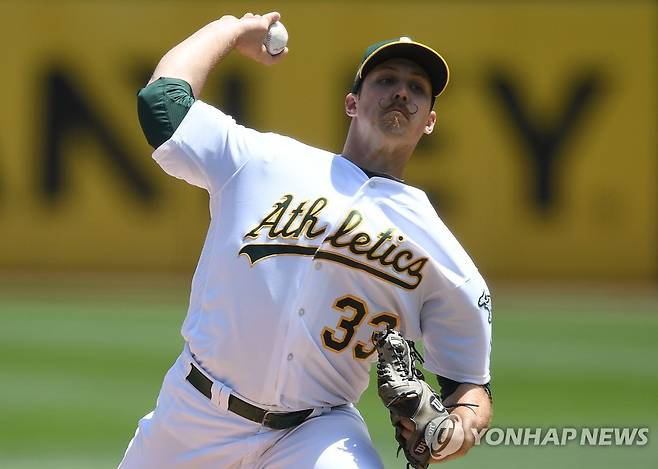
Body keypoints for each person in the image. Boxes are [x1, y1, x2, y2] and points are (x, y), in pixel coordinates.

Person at [120, 11, 492, 469]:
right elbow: (162, 103)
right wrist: (233, 29)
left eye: (417, 87)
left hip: (316, 432)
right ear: (351, 102)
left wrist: (453, 432)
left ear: (429, 121)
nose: (401, 91)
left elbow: (469, 388)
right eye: (386, 79)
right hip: (195, 412)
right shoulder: (264, 160)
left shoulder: (441, 252)